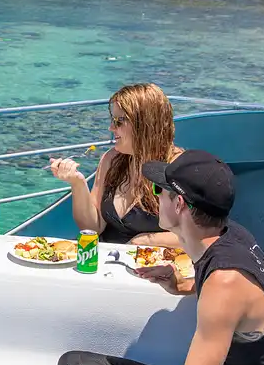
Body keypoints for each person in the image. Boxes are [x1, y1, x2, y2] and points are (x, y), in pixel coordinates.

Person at [56, 150, 264, 365]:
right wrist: (181, 284)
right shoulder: (230, 236)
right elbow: (239, 301)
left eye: (158, 190)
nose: (155, 196)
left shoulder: (226, 281)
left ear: (180, 204)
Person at [49, 83, 181, 246]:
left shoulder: (178, 167)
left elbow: (200, 235)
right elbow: (92, 227)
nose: (111, 128)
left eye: (119, 121)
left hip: (152, 265)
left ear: (145, 124)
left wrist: (141, 242)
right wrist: (77, 183)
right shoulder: (112, 159)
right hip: (107, 262)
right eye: (113, 120)